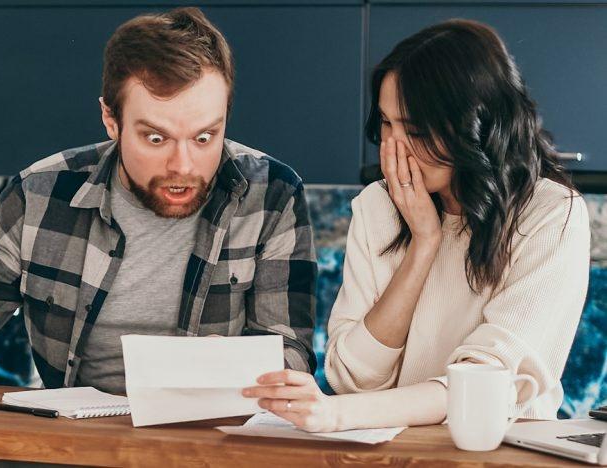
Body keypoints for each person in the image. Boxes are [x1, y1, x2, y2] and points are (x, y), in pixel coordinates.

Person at [0, 7, 317, 393]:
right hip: (76, 441)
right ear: (110, 120)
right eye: (155, 137)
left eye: (205, 136)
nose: (183, 164)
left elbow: (293, 358)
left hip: (211, 442)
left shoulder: (272, 195)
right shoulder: (39, 195)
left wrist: (230, 365)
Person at [242, 19, 590, 431]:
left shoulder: (552, 214)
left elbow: (486, 383)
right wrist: (424, 241)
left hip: (502, 453)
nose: (395, 148)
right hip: (393, 453)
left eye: (417, 131)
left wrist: (336, 413)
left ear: (477, 126)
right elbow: (352, 377)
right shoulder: (378, 207)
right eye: (387, 124)